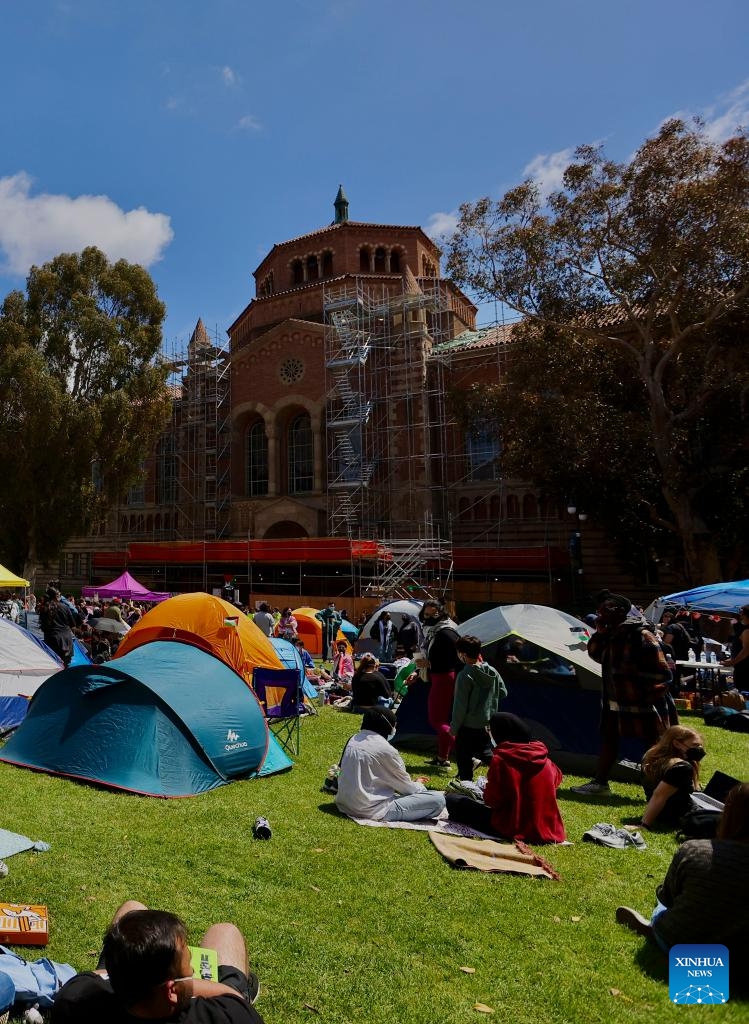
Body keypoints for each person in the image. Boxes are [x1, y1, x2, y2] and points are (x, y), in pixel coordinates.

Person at [615, 782, 749, 979]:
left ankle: (656, 932)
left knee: (662, 908)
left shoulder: (695, 849)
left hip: (679, 941)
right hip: (739, 957)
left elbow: (667, 897)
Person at [51, 900, 264, 1023]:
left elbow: (92, 977)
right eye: (189, 967)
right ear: (171, 992)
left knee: (132, 908)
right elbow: (235, 999)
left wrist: (125, 971)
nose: (192, 966)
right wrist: (193, 984)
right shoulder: (226, 1016)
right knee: (225, 932)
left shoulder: (74, 1003)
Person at [571, 591, 672, 796]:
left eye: (604, 612)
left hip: (642, 702)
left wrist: (646, 696)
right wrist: (599, 633)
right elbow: (596, 654)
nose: (600, 616)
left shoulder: (642, 635)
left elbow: (664, 673)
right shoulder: (613, 634)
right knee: (609, 738)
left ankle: (657, 790)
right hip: (615, 699)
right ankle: (600, 784)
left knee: (652, 745)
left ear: (618, 613)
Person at [445, 713, 566, 844]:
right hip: (549, 828)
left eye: (490, 730)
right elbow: (557, 779)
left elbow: (492, 800)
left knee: (453, 800)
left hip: (511, 826)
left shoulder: (502, 760)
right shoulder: (545, 760)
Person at [335, 708, 446, 822]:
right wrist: (418, 784)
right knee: (438, 799)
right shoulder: (386, 749)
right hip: (369, 809)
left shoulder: (352, 739)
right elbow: (406, 787)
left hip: (344, 803)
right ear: (387, 725)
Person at [450, 635, 507, 782]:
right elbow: (503, 692)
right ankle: (506, 770)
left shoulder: (465, 675)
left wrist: (454, 727)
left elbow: (460, 706)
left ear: (462, 654)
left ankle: (466, 783)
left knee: (463, 756)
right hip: (487, 722)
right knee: (485, 751)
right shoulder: (492, 671)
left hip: (467, 725)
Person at [416, 598, 462, 769]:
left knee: (436, 720)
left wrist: (430, 664)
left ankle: (468, 756)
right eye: (425, 613)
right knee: (441, 720)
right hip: (438, 676)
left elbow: (456, 658)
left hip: (444, 677)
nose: (427, 617)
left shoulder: (446, 632)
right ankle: (443, 758)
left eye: (431, 614)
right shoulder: (434, 631)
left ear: (440, 613)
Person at [639, 725, 705, 829]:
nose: (700, 750)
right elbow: (659, 795)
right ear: (677, 744)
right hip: (682, 816)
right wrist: (644, 825)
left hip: (663, 814)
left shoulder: (651, 757)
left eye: (700, 746)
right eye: (695, 745)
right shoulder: (681, 767)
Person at [38, 586, 78, 667]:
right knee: (66, 667)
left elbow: (43, 626)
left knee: (53, 667)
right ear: (57, 596)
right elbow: (73, 624)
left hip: (51, 640)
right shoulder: (65, 607)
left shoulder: (43, 608)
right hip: (66, 640)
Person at [723, 605, 749, 691]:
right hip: (740, 669)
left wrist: (732, 662)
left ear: (744, 615)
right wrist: (730, 659)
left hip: (745, 670)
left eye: (741, 612)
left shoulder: (747, 630)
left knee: (745, 694)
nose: (739, 614)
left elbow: (746, 650)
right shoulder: (742, 628)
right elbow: (740, 649)